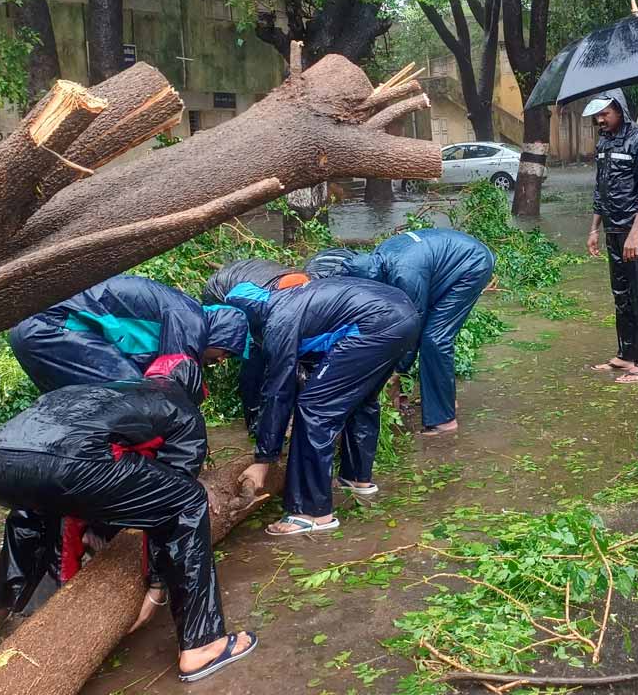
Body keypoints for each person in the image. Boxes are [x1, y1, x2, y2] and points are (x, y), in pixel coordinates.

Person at [0, 357, 258, 683]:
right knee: (188, 500)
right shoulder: (182, 408)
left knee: (35, 507)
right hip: (71, 464)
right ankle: (202, 645)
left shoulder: (103, 389)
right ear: (193, 389)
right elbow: (167, 506)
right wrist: (156, 587)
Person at [226, 278, 419, 536]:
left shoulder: (278, 322)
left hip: (374, 323)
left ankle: (312, 513)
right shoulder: (287, 300)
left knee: (314, 408)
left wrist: (264, 459)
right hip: (403, 314)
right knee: (361, 398)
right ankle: (357, 478)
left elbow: (278, 393)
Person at [303, 228, 495, 435]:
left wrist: (394, 374)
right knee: (420, 334)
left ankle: (444, 421)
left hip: (472, 265)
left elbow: (410, 331)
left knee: (434, 338)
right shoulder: (377, 261)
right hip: (440, 265)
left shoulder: (404, 275)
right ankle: (444, 398)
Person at [9, 274, 249, 392]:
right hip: (52, 327)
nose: (220, 360)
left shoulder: (181, 313)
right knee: (134, 396)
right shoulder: (191, 318)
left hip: (32, 330)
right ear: (222, 333)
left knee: (77, 410)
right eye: (226, 352)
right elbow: (173, 385)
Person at [583, 88, 638, 384]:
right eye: (598, 115)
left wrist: (635, 233)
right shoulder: (604, 141)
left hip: (637, 232)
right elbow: (599, 189)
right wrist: (594, 228)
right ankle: (626, 354)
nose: (601, 119)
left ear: (621, 110)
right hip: (613, 230)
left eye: (605, 113)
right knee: (622, 295)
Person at [202, 259, 311, 451]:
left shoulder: (307, 292)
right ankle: (254, 422)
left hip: (250, 277)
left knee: (278, 350)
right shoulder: (262, 300)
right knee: (255, 351)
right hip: (220, 293)